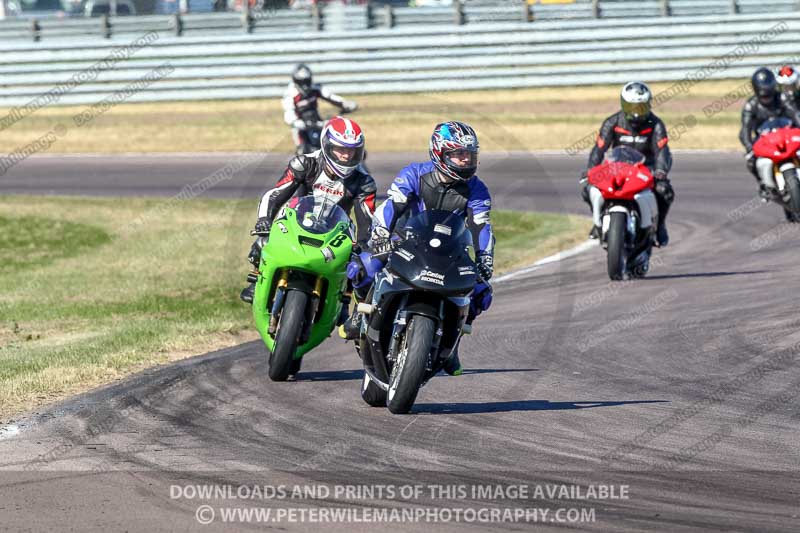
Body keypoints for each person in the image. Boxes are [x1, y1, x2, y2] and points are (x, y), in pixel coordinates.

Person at [344, 121, 494, 376]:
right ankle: (360, 312)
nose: (465, 161)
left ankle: (454, 340)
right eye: (458, 155)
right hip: (405, 242)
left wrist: (485, 258)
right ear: (439, 153)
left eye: (469, 155)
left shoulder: (477, 189)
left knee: (481, 291)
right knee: (362, 266)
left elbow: (481, 226)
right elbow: (391, 206)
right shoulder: (414, 174)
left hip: (450, 251)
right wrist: (380, 235)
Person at [239, 116, 376, 304]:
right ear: (327, 146)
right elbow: (274, 195)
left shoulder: (364, 182)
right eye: (341, 149)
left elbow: (366, 219)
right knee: (263, 241)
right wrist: (264, 219)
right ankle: (257, 279)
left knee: (358, 264)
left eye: (352, 151)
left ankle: (346, 304)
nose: (346, 156)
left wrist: (363, 245)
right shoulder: (304, 164)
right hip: (297, 222)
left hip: (335, 231)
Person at [580, 81, 673, 246]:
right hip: (617, 167)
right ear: (623, 105)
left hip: (646, 169)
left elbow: (662, 151)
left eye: (641, 107)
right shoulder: (612, 122)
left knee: (664, 191)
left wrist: (660, 171)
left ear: (649, 105)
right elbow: (599, 148)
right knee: (588, 188)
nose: (636, 113)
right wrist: (591, 170)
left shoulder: (656, 124)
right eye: (632, 107)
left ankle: (660, 227)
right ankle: (598, 223)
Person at [740, 67, 800, 198]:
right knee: (751, 161)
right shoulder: (751, 105)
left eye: (768, 94)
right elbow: (745, 130)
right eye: (763, 95)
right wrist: (749, 148)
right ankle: (763, 184)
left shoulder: (782, 98)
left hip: (786, 134)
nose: (766, 98)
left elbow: (795, 114)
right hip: (764, 139)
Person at [283, 63, 358, 155]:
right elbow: (288, 111)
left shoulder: (315, 88)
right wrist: (295, 122)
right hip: (302, 126)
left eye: (306, 81)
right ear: (296, 81)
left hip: (318, 123)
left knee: (337, 144)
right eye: (301, 82)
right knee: (302, 150)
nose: (305, 85)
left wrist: (345, 103)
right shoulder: (290, 94)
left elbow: (330, 97)